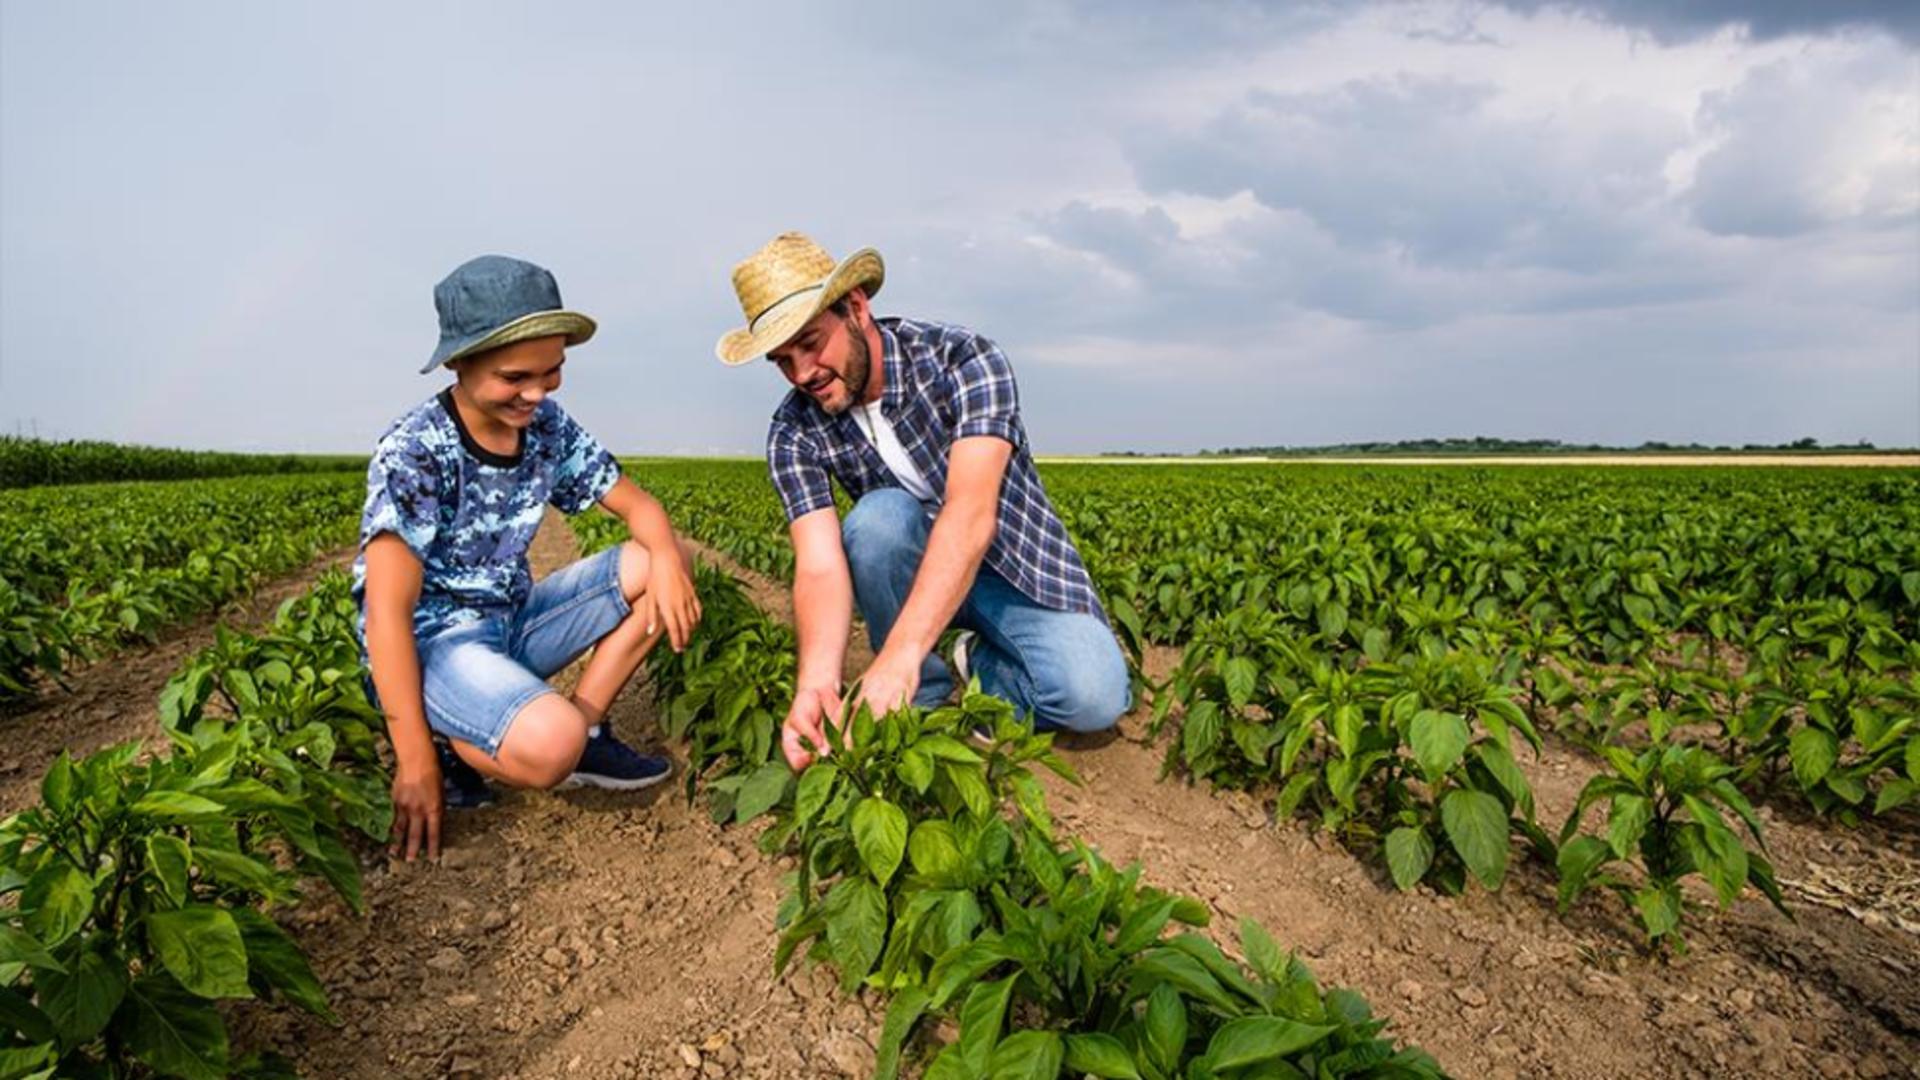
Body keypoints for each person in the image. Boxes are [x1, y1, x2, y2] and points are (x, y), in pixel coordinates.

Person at [714, 232, 1128, 771]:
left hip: (1009, 571)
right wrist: (815, 685)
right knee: (879, 521)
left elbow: (970, 515)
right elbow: (818, 564)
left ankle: (974, 663)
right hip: (912, 570)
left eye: (811, 343)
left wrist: (896, 657)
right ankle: (924, 695)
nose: (802, 373)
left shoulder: (964, 360)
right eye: (782, 360)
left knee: (1093, 694)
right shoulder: (793, 430)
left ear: (857, 307)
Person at [355, 254, 701, 861]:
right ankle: (443, 740)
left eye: (553, 372)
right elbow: (386, 614)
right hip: (436, 647)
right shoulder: (415, 452)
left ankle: (589, 729)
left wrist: (669, 558)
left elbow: (640, 508)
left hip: (512, 622)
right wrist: (411, 761)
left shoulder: (545, 426)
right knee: (549, 744)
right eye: (516, 377)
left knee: (666, 559)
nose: (537, 392)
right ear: (460, 362)